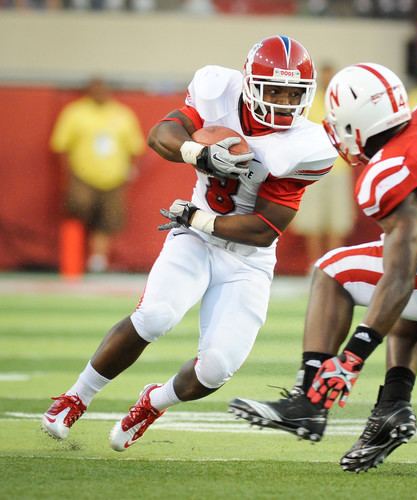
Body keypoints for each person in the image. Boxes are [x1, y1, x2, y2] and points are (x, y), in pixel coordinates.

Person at [230, 63, 417, 472]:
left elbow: (400, 279)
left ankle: (307, 401)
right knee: (408, 263)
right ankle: (393, 407)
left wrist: (351, 358)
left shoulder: (388, 173)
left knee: (332, 270)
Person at [42, 35, 337, 451]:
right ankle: (77, 396)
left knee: (217, 368)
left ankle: (153, 402)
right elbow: (161, 133)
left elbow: (265, 227)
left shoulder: (307, 146)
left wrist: (196, 216)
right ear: (250, 83)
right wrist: (195, 153)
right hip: (194, 239)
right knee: (155, 316)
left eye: (293, 92)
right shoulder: (217, 89)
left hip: (247, 256)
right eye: (273, 89)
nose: (284, 101)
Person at [50, 77, 145, 272]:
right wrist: (66, 176)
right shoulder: (75, 112)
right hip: (82, 175)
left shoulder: (122, 114)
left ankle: (97, 260)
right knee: (78, 210)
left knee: (108, 218)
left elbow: (135, 147)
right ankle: (72, 259)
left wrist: (129, 170)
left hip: (114, 177)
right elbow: (61, 146)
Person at [291, 63, 355, 267]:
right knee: (313, 222)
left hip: (338, 169)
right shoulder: (308, 103)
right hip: (315, 170)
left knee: (337, 222)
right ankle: (315, 265)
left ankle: (335, 265)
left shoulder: (344, 103)